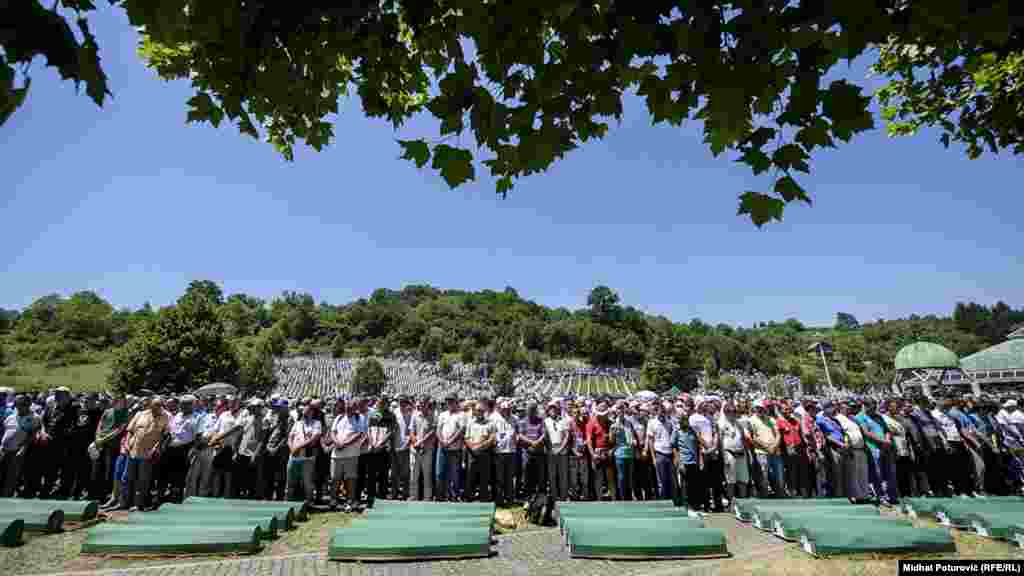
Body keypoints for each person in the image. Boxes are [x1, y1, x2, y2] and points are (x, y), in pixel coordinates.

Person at [123, 396, 170, 512]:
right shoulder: (140, 414)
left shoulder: (165, 417)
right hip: (133, 450)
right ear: (150, 405)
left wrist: (157, 448)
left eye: (160, 405)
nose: (158, 408)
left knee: (143, 480)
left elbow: (165, 435)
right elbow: (130, 430)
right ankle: (125, 502)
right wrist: (127, 442)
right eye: (155, 405)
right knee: (128, 478)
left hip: (148, 453)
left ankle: (138, 504)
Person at [1, 395, 42, 497]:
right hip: (4, 449)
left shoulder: (34, 418)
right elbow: (4, 432)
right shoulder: (11, 417)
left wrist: (23, 449)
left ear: (29, 405)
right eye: (18, 404)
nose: (19, 407)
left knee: (12, 475)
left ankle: (7, 495)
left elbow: (33, 434)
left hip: (18, 450)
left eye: (22, 404)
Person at [330, 397, 363, 512]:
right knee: (335, 478)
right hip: (336, 454)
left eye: (351, 407)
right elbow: (333, 432)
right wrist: (337, 442)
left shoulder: (359, 418)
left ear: (355, 408)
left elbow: (359, 434)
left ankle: (350, 501)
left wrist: (344, 443)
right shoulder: (339, 417)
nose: (348, 409)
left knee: (351, 479)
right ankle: (334, 500)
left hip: (351, 454)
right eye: (347, 407)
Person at [287, 402, 322, 505]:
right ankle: (288, 502)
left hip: (307, 457)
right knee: (290, 481)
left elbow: (314, 439)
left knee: (307, 482)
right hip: (294, 456)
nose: (304, 412)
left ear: (312, 412)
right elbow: (290, 437)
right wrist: (291, 448)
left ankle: (309, 502)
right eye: (304, 411)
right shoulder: (297, 423)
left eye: (307, 410)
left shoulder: (317, 423)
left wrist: (297, 447)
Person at [465, 400, 496, 502]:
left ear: (484, 411)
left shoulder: (490, 423)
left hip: (484, 453)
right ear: (475, 411)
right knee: (470, 476)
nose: (479, 412)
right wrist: (473, 447)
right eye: (478, 410)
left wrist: (481, 446)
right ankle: (469, 498)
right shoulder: (470, 423)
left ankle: (483, 498)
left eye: (481, 410)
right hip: (472, 453)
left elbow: (492, 438)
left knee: (484, 477)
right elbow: (467, 438)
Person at [719, 400, 750, 502]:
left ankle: (743, 501)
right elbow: (720, 442)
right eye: (729, 411)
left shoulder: (739, 424)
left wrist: (746, 453)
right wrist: (724, 458)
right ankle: (731, 502)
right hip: (729, 453)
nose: (732, 413)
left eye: (734, 411)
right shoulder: (721, 424)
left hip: (741, 453)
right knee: (730, 480)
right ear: (725, 412)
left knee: (743, 479)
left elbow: (744, 439)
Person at [490, 399, 517, 506]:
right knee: (499, 478)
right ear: (500, 408)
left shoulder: (514, 418)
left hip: (511, 451)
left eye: (508, 409)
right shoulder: (494, 418)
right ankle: (499, 500)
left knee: (510, 477)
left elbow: (517, 432)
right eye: (504, 409)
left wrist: (516, 438)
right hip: (499, 452)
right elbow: (491, 432)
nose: (506, 411)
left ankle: (510, 499)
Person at [410, 396, 436, 501]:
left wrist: (422, 443)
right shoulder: (415, 416)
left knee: (427, 475)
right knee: (414, 476)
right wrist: (416, 443)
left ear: (427, 404)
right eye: (420, 403)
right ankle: (413, 497)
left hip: (427, 450)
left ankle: (427, 498)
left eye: (424, 403)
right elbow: (411, 432)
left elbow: (433, 433)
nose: (421, 405)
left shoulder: (433, 417)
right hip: (415, 449)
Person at [544, 400, 572, 502]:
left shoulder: (563, 420)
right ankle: (554, 498)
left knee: (563, 475)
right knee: (552, 475)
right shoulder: (545, 421)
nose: (553, 410)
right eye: (551, 408)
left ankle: (564, 497)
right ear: (548, 410)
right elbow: (545, 436)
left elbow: (567, 436)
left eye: (555, 408)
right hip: (551, 450)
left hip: (562, 450)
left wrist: (561, 448)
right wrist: (549, 449)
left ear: (558, 409)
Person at [609, 402, 635, 501]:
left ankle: (629, 497)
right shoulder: (614, 424)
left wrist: (634, 441)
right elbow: (611, 441)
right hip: (620, 453)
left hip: (630, 452)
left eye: (622, 409)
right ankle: (623, 497)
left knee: (630, 477)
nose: (621, 411)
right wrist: (614, 433)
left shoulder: (629, 422)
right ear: (616, 411)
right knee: (621, 477)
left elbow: (632, 435)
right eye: (619, 409)